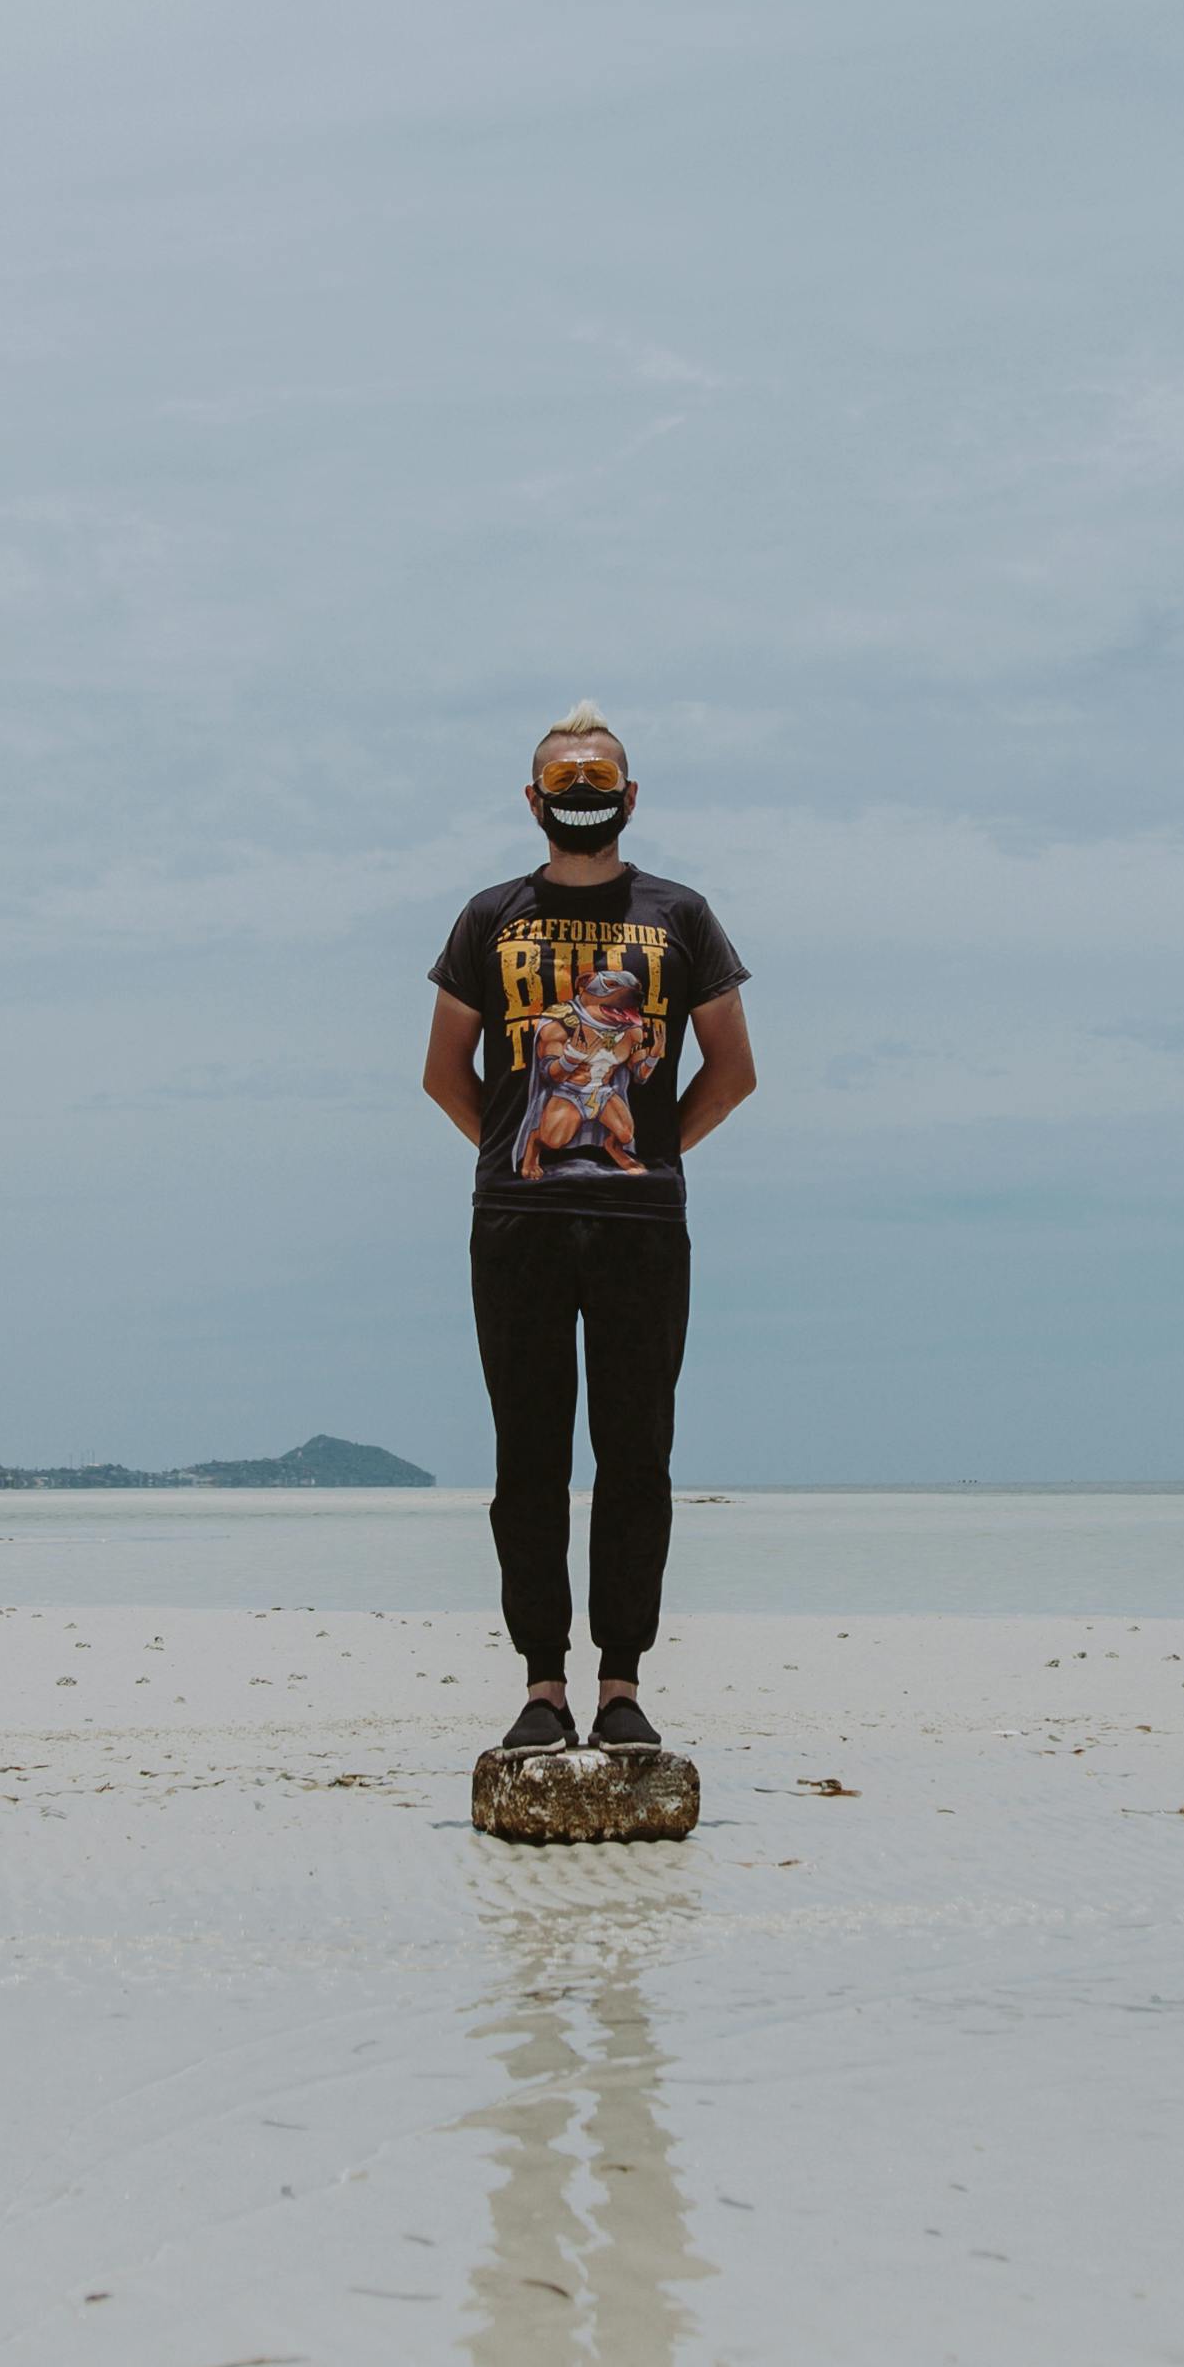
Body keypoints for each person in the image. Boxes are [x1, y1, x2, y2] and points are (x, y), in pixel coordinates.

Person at [422, 703, 755, 1755]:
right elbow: (444, 1073)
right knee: (528, 1457)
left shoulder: (681, 916)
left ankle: (619, 1684)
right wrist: (520, 1152)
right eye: (562, 776)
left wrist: (651, 1155)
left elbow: (731, 1070)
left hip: (639, 1225)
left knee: (635, 1455)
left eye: (596, 772)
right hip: (517, 1222)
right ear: (533, 798)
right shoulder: (488, 920)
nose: (579, 788)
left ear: (629, 793)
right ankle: (541, 1685)